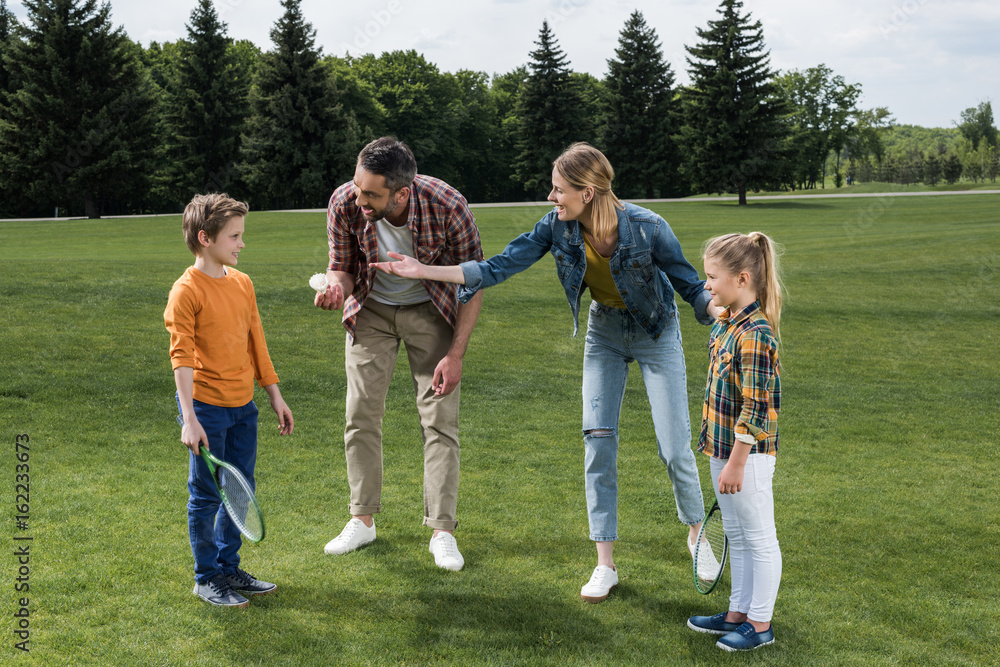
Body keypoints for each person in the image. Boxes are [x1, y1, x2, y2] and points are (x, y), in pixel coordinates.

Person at [373, 142, 720, 601]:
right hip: (604, 335)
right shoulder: (557, 228)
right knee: (597, 439)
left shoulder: (649, 227)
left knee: (674, 445)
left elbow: (690, 285)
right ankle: (605, 564)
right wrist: (424, 270)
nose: (551, 198)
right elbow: (497, 267)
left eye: (559, 190)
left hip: (656, 333)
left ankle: (697, 532)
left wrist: (722, 311)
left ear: (589, 193)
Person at [315, 137, 484, 571]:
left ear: (402, 193)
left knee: (439, 420)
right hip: (370, 308)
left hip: (431, 309)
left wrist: (457, 354)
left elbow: (472, 282)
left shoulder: (448, 205)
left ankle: (442, 531)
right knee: (361, 414)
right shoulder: (344, 201)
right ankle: (362, 519)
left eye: (371, 193)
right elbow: (344, 267)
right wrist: (336, 287)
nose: (359, 198)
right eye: (358, 186)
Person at [164, 193, 294, 608]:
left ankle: (228, 567)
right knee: (205, 496)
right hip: (206, 411)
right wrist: (189, 419)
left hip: (244, 409)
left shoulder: (242, 283)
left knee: (240, 490)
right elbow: (181, 358)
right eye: (234, 236)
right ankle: (206, 578)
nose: (241, 244)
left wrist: (274, 395)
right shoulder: (186, 292)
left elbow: (257, 343)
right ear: (205, 238)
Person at [686, 232, 783, 652]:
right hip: (721, 450)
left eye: (712, 277)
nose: (705, 285)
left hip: (747, 458)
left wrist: (738, 462)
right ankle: (736, 614)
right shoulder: (727, 322)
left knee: (759, 537)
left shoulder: (756, 333)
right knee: (738, 536)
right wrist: (721, 456)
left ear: (742, 278)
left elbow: (756, 406)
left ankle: (760, 624)